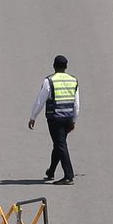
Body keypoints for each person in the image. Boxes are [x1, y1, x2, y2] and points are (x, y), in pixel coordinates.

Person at [28, 55, 79, 184]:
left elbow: (40, 101)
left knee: (60, 145)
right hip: (68, 118)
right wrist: (74, 120)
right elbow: (76, 104)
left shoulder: (49, 81)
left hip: (55, 119)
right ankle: (51, 171)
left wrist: (33, 117)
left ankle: (69, 176)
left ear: (54, 66)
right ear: (66, 67)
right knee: (59, 144)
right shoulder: (73, 80)